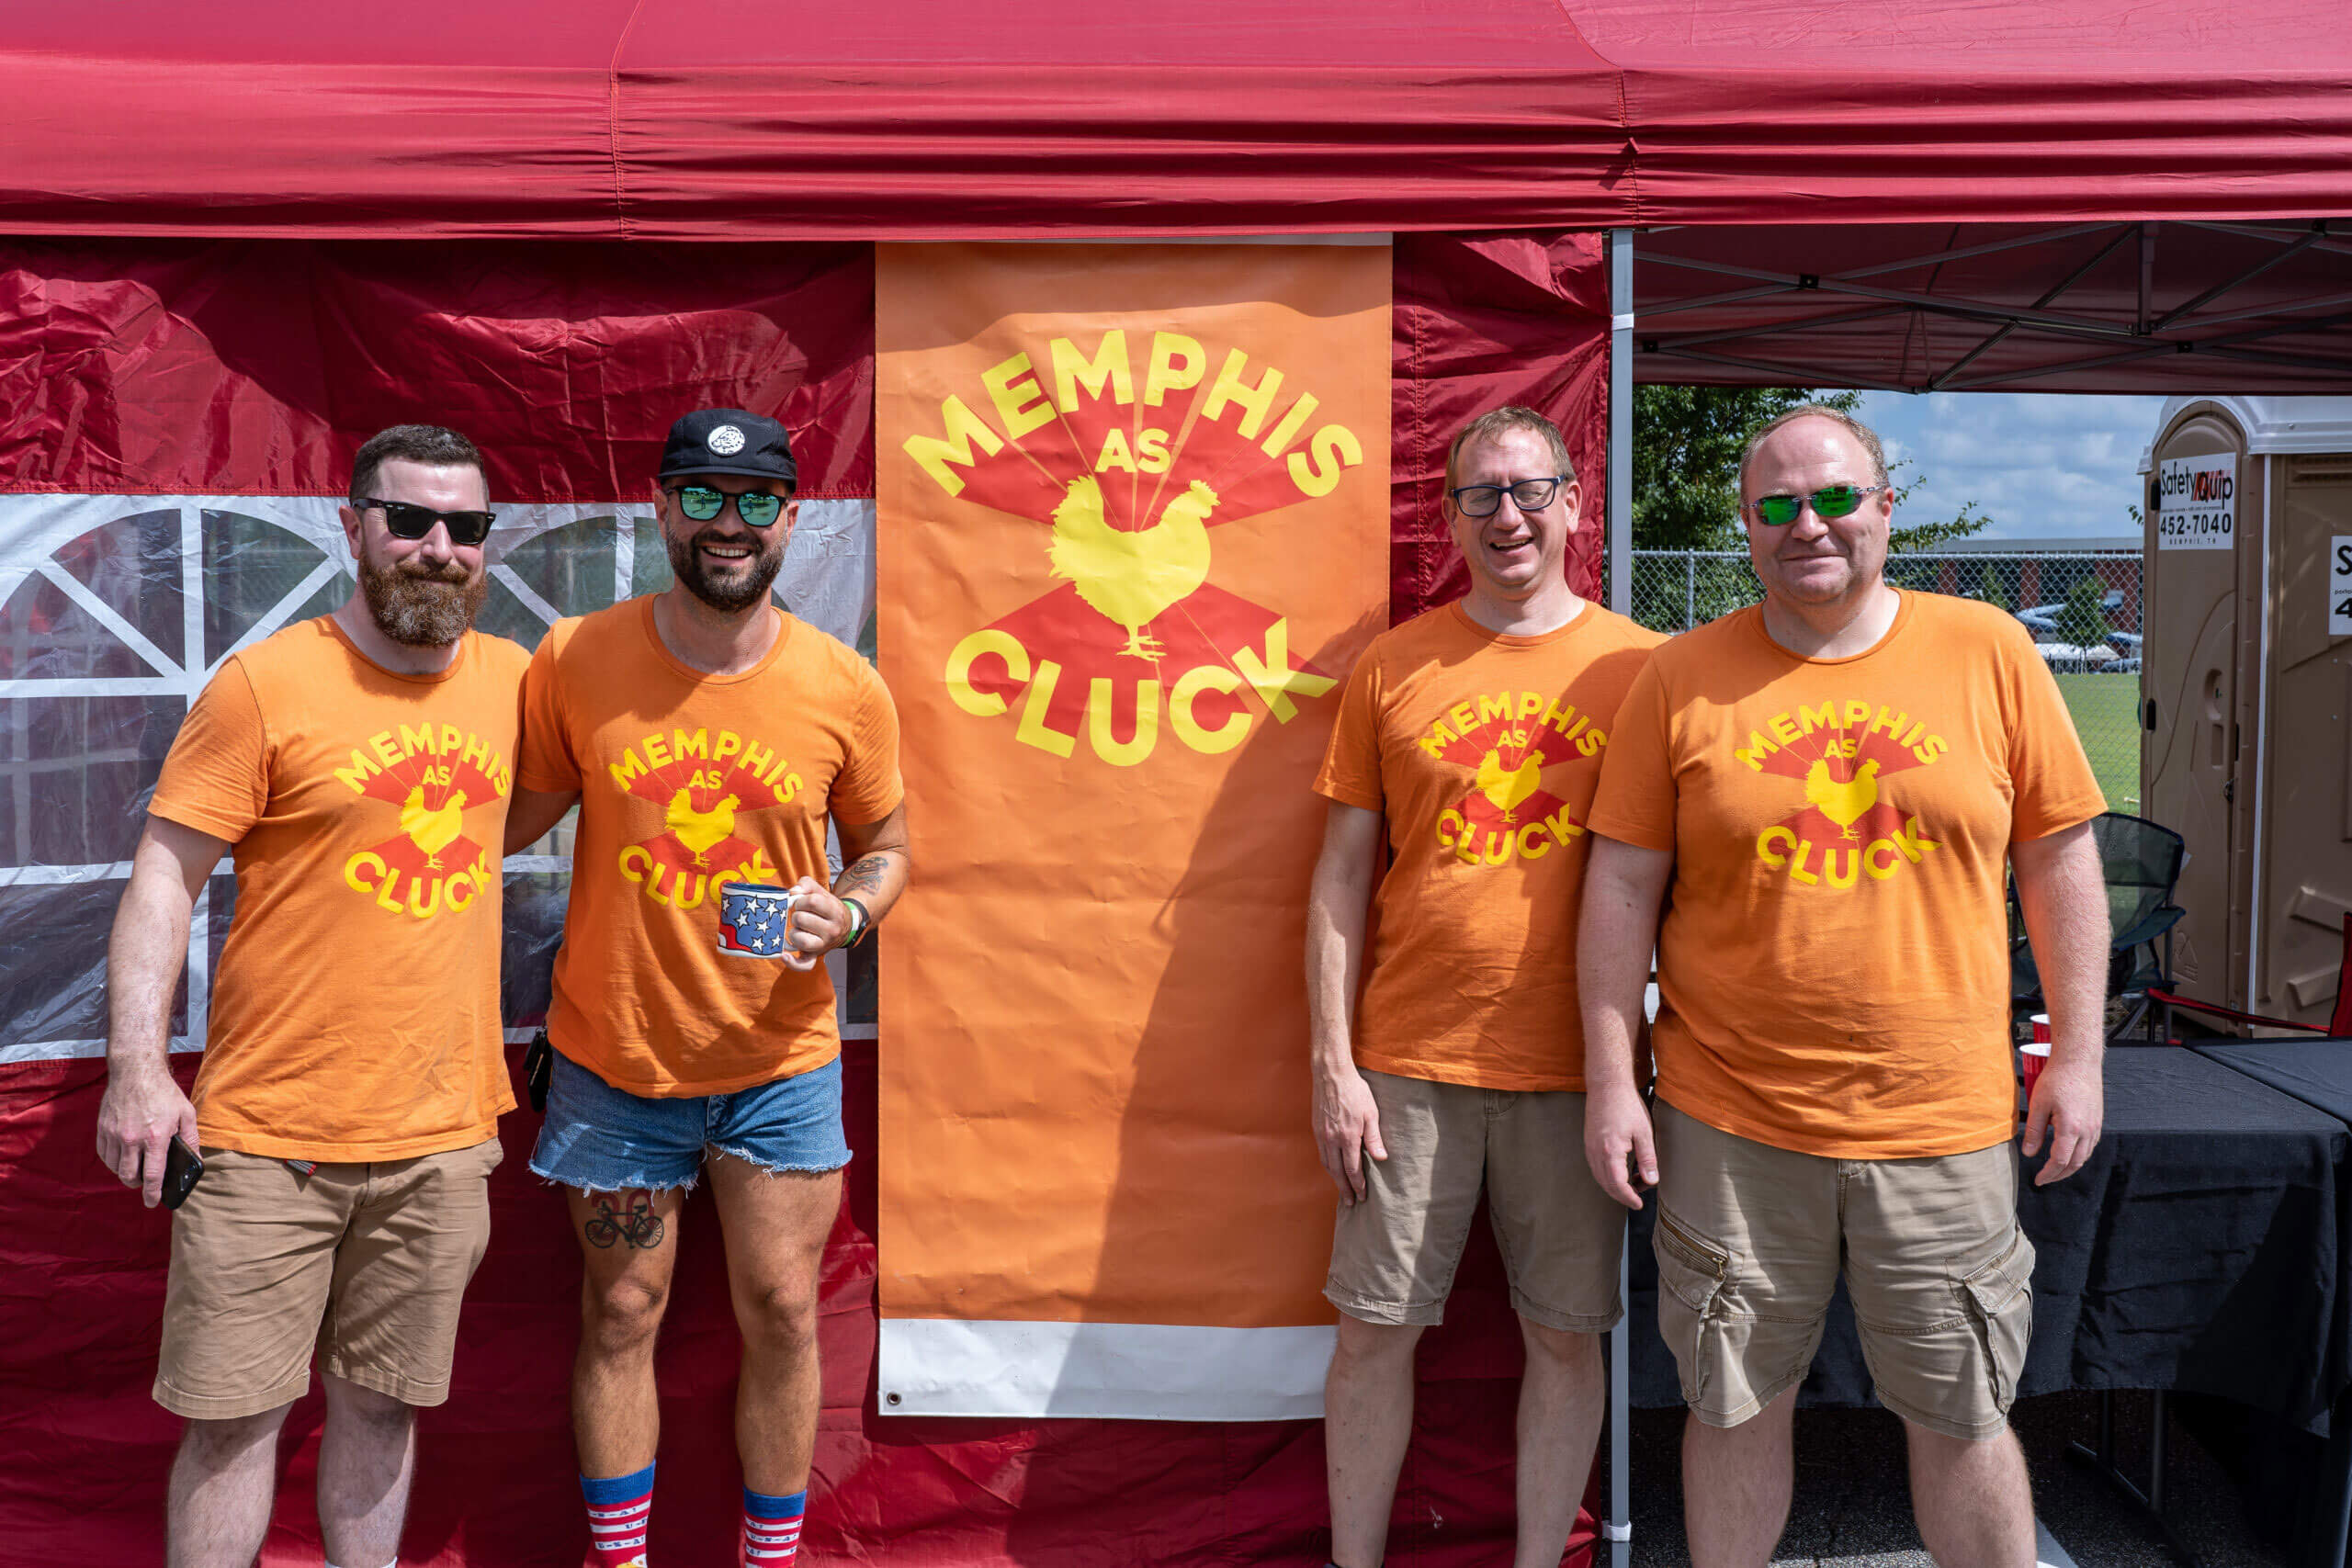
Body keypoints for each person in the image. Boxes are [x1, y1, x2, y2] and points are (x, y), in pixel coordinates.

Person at [1580, 404, 2109, 1568]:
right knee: (1731, 1405)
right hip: (1730, 1126)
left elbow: (2059, 861)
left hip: (1940, 1123)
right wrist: (1612, 1081)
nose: (1805, 525)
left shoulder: (1986, 650)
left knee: (1963, 1410)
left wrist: (2077, 1054)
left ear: (1884, 509)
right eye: (1775, 505)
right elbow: (1618, 889)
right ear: (1745, 525)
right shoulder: (1678, 677)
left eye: (1832, 497)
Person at [95, 424, 526, 1568]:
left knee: (383, 1411)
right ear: (354, 527)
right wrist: (138, 1070)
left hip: (441, 1139)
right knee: (233, 1425)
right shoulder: (265, 684)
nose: (438, 547)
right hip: (265, 1140)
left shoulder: (517, 684)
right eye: (410, 520)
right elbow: (163, 878)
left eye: (466, 526)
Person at [503, 408, 908, 1568]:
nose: (726, 524)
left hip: (778, 1063)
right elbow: (502, 819)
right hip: (614, 1055)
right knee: (621, 1311)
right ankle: (619, 1560)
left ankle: (768, 1561)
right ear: (660, 508)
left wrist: (853, 910)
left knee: (782, 1313)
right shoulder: (574, 657)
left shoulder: (844, 685)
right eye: (700, 497)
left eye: (753, 503)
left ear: (790, 518)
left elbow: (887, 846)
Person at [1306, 407, 1662, 1568]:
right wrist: (1333, 1064)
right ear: (1451, 519)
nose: (1506, 515)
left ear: (1573, 504)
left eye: (1528, 489)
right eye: (1479, 495)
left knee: (1563, 1337)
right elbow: (1340, 877)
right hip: (1406, 1068)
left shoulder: (1642, 670)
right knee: (1373, 1334)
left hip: (1579, 1073)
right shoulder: (1391, 666)